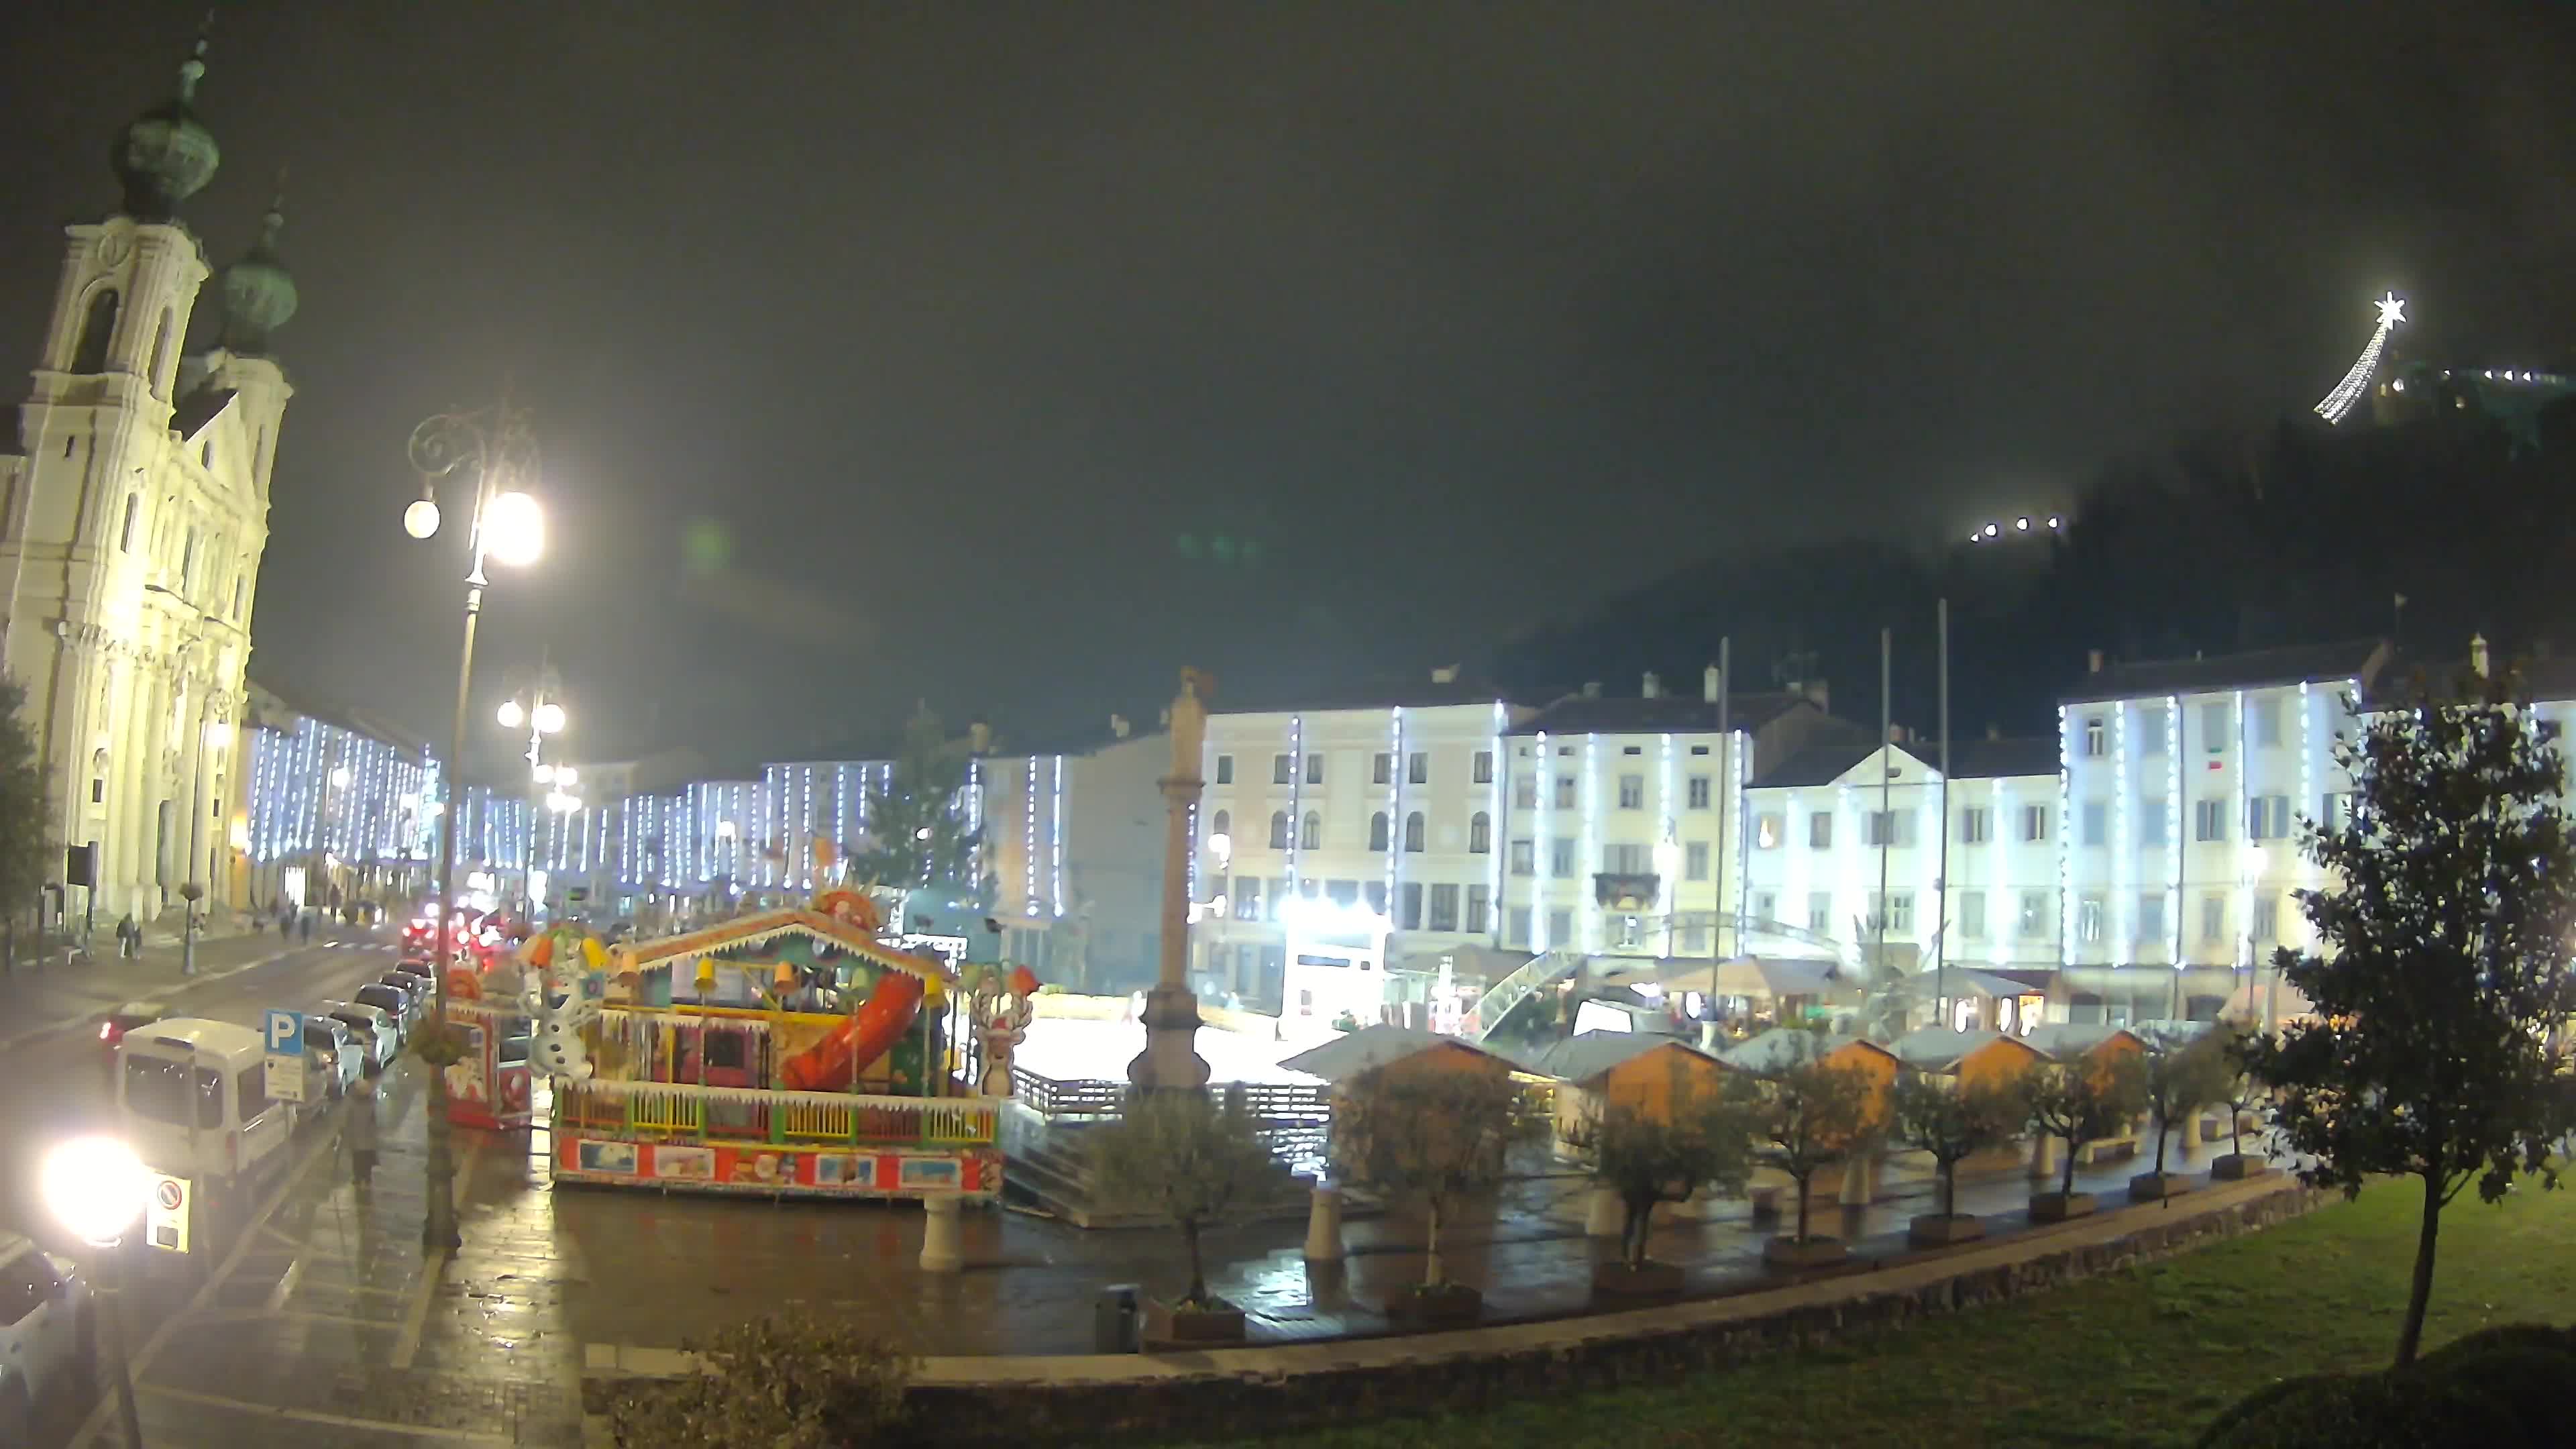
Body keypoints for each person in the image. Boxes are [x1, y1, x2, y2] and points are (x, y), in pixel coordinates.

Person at [346, 1065, 380, 1187]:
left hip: (359, 1139)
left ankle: (360, 1177)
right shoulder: (370, 1103)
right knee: (364, 1161)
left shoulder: (354, 1103)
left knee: (359, 1160)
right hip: (365, 1139)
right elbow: (374, 1122)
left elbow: (348, 1120)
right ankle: (364, 1177)